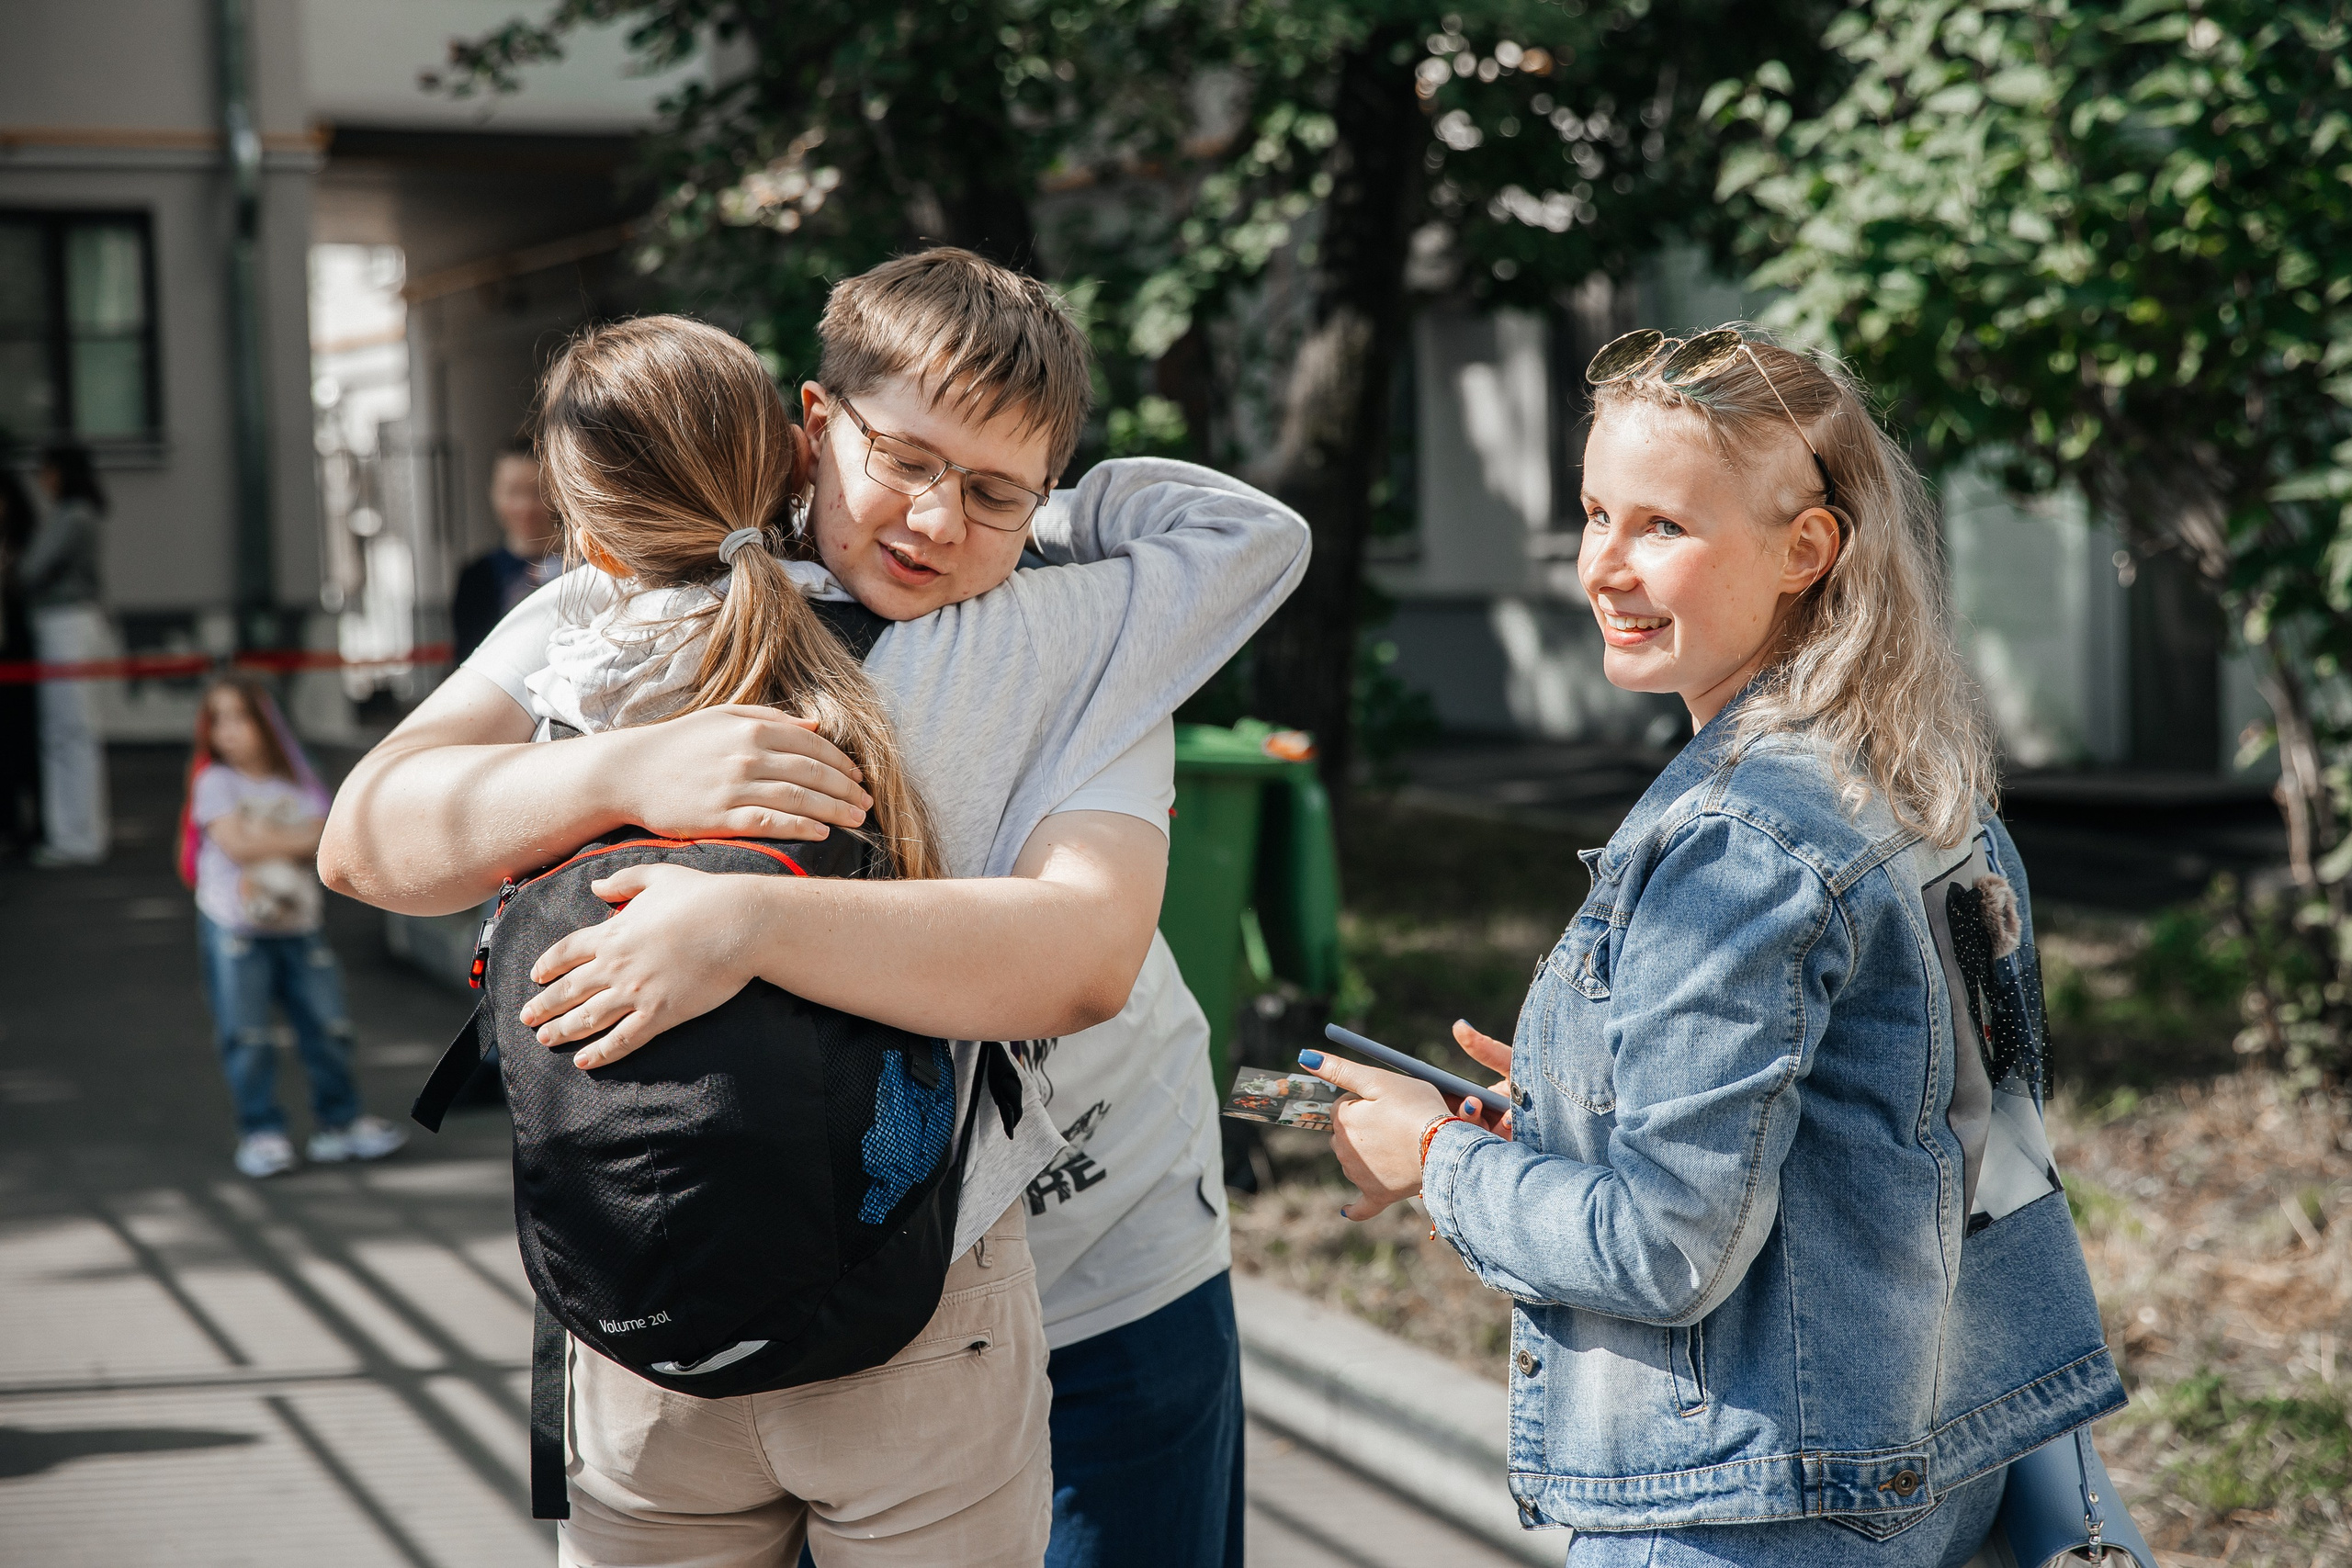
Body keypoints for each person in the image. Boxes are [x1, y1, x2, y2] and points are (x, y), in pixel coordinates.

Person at [319, 249, 1309, 1565]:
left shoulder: (1076, 635)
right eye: (901, 459)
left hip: (1092, 1245)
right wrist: (621, 766)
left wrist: (739, 926)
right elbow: (371, 836)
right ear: (811, 423)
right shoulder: (629, 595)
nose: (938, 521)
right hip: (735, 1259)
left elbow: (1081, 952)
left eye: (993, 490)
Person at [1301, 328, 2125, 1567]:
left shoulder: (1740, 837)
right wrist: (1575, 1108)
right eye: (1592, 513)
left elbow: (1663, 1246)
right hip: (1929, 1463)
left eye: (1662, 528)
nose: (1605, 567)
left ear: (1808, 549)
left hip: (1749, 1508)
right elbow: (1922, 1138)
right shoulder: (1918, 780)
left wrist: (1432, 1158)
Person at [184, 677, 410, 1179]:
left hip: (299, 924)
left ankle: (341, 1123)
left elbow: (326, 839)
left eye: (240, 716)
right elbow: (242, 846)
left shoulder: (298, 778)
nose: (230, 732)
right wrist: (289, 837)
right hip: (235, 926)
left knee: (328, 1026)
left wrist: (262, 834)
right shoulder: (213, 782)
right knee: (246, 1034)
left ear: (266, 721)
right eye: (217, 720)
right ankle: (261, 1130)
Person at [22, 443, 111, 865]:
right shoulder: (81, 514)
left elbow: (31, 570)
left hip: (65, 625)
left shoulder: (71, 516)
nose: (41, 478)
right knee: (74, 733)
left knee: (67, 734)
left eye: (45, 469)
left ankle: (76, 838)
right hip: (75, 624)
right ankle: (80, 834)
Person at [450, 438, 561, 663]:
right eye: (513, 492)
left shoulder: (591, 565)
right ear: (494, 494)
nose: (525, 507)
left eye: (538, 492)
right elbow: (469, 658)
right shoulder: (478, 577)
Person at [0, 468, 42, 853]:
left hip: (18, 651)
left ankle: (30, 824)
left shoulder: (25, 543)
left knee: (23, 740)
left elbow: (27, 581)